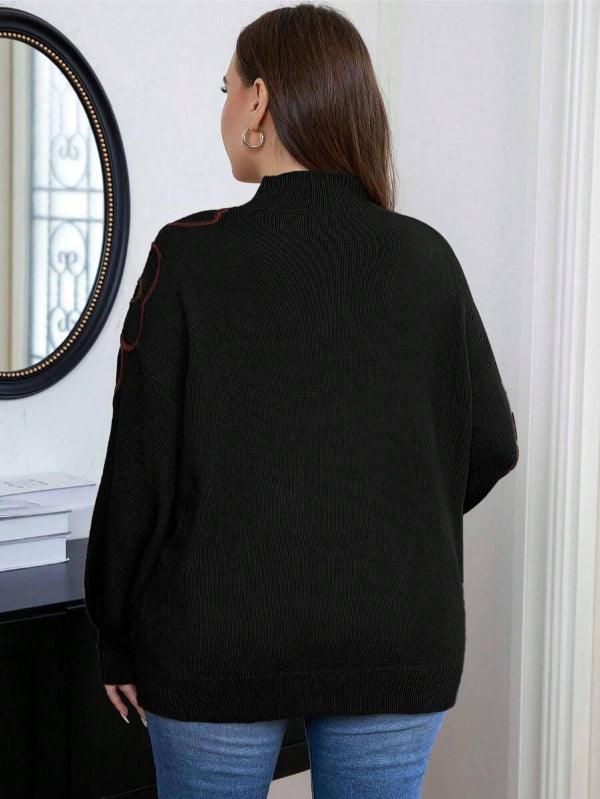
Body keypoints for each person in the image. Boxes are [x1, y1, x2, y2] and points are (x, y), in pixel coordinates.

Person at [83, 3, 519, 798]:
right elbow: (490, 443)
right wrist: (381, 516)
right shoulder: (427, 259)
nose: (225, 107)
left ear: (258, 101)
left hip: (213, 636)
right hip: (396, 634)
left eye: (226, 88)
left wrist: (115, 633)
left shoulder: (188, 258)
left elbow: (140, 472)